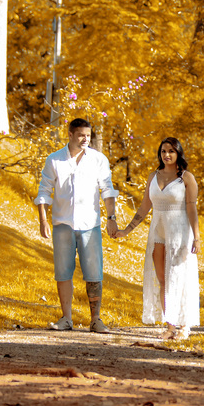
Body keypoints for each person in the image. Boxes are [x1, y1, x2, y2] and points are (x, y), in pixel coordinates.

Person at [35, 118, 119, 332]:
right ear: (70, 134)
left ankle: (96, 319)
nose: (85, 139)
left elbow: (107, 190)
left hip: (89, 224)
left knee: (94, 272)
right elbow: (44, 191)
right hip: (62, 223)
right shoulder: (54, 160)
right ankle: (66, 319)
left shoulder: (98, 160)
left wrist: (111, 218)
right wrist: (43, 220)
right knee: (63, 272)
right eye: (81, 135)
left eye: (88, 136)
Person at [115, 137, 200, 339]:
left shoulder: (186, 178)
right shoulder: (153, 176)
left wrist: (196, 237)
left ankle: (184, 326)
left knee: (179, 278)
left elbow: (191, 208)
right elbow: (145, 206)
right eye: (163, 151)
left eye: (171, 151)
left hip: (179, 232)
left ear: (178, 153)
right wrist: (126, 230)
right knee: (163, 279)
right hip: (158, 232)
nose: (166, 155)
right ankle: (170, 327)